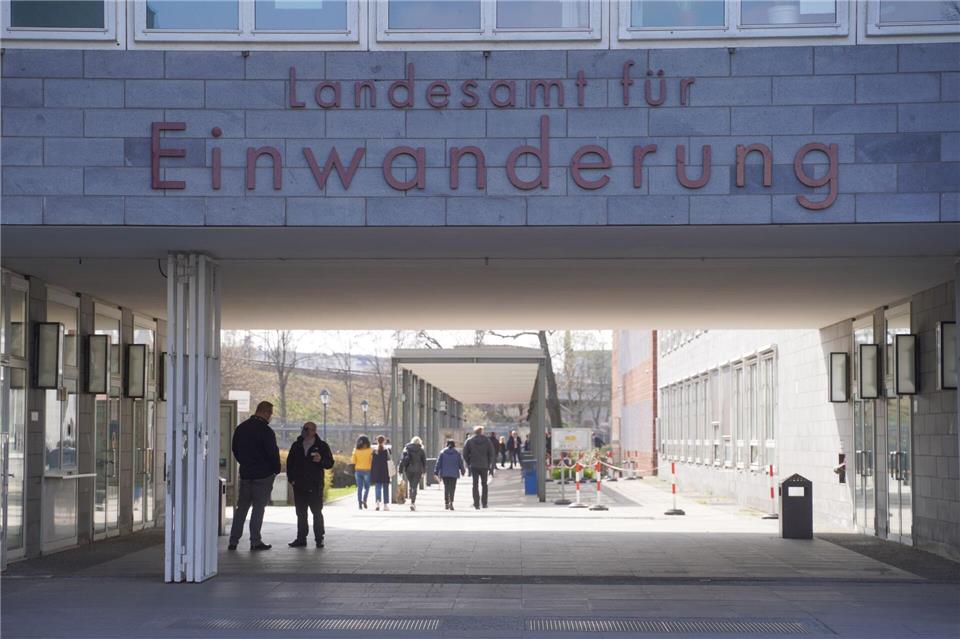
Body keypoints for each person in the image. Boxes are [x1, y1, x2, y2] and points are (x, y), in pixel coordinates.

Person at [228, 401, 280, 551]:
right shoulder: (266, 431)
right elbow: (272, 453)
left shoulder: (241, 428)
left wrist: (245, 463)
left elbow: (235, 449)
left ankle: (233, 541)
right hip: (263, 475)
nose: (270, 416)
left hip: (246, 474)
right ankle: (255, 541)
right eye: (270, 413)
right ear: (264, 412)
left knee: (241, 509)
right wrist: (275, 470)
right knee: (258, 509)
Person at [286, 421, 334, 548]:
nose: (305, 431)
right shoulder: (296, 445)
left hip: (315, 485)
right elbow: (290, 463)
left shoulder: (322, 446)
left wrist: (321, 460)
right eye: (304, 428)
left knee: (316, 512)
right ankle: (301, 538)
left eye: (308, 429)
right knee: (301, 513)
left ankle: (319, 538)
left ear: (314, 431)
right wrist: (291, 479)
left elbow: (329, 463)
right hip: (299, 485)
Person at [463, 425, 496, 510]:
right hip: (484, 465)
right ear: (482, 432)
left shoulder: (469, 441)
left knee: (475, 484)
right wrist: (490, 465)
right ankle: (484, 503)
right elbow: (491, 453)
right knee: (484, 484)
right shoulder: (487, 441)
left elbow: (465, 453)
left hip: (474, 465)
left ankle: (476, 504)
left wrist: (469, 462)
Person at [434, 439, 465, 510]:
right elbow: (460, 463)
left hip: (445, 474)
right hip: (454, 474)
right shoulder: (457, 453)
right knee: (452, 488)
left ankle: (446, 503)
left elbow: (438, 463)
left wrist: (436, 472)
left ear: (446, 444)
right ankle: (451, 502)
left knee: (446, 488)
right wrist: (462, 471)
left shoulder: (442, 453)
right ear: (454, 445)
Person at [399, 436, 427, 511]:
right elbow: (424, 461)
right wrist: (424, 471)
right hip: (418, 470)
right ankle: (412, 502)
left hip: (408, 469)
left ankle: (412, 498)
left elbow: (402, 460)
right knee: (414, 486)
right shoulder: (421, 450)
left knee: (411, 485)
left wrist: (400, 470)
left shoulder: (407, 448)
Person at [370, 435, 392, 511]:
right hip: (385, 471)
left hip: (377, 471)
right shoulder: (387, 451)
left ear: (377, 441)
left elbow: (372, 462)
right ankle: (385, 505)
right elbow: (389, 461)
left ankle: (377, 503)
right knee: (385, 488)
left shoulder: (374, 451)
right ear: (384, 441)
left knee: (378, 487)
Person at [351, 435, 373, 510]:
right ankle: (364, 500)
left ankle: (359, 503)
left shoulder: (355, 450)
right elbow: (372, 460)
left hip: (358, 470)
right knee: (367, 487)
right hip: (367, 470)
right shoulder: (370, 450)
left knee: (359, 488)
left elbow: (353, 461)